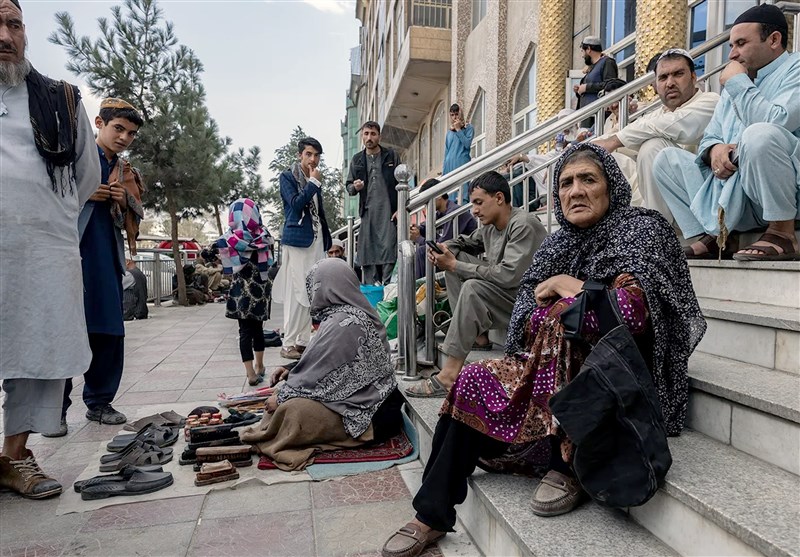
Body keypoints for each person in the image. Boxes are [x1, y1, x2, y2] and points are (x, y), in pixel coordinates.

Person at [381, 143, 705, 557]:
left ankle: (566, 464)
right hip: (549, 369)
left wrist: (566, 288)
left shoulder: (642, 230)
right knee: (475, 377)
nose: (575, 191)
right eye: (566, 182)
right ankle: (430, 514)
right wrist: (570, 300)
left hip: (616, 382)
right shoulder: (558, 244)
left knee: (566, 321)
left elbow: (628, 316)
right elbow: (523, 319)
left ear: (612, 187)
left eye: (589, 179)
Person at [0, 0, 101, 498]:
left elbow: (86, 176)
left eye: (13, 24)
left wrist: (38, 216)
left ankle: (14, 457)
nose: (4, 35)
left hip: (41, 250)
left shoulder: (60, 99)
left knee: (34, 350)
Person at [655, 4, 799, 261]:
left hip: (785, 192)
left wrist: (736, 82)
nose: (732, 54)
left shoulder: (794, 70)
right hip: (738, 195)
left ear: (774, 39)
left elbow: (777, 121)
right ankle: (715, 236)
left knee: (760, 135)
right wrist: (715, 151)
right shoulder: (740, 78)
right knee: (666, 160)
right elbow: (711, 136)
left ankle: (782, 231)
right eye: (731, 45)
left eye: (741, 43)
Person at [240, 258, 403, 470]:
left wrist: (283, 396)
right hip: (364, 403)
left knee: (292, 411)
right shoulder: (343, 315)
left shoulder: (345, 321)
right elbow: (324, 361)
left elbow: (325, 374)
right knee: (285, 408)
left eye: (316, 285)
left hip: (372, 415)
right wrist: (291, 371)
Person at [49, 97, 145, 436]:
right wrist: (85, 192)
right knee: (65, 329)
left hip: (105, 255)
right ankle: (54, 410)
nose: (124, 137)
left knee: (107, 328)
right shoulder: (68, 159)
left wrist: (123, 200)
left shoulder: (125, 171)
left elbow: (136, 212)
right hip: (69, 252)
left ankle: (100, 401)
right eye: (118, 128)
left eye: (130, 133)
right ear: (99, 124)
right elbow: (47, 194)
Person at [405, 171, 547, 398]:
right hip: (507, 296)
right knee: (455, 256)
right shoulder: (491, 226)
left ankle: (448, 377)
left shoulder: (523, 225)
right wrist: (444, 249)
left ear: (499, 198)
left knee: (471, 285)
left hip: (528, 303)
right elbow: (466, 242)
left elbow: (508, 276)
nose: (474, 211)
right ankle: (478, 336)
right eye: (473, 204)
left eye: (479, 203)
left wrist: (454, 265)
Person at [593, 49, 720, 221]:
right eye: (663, 77)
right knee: (610, 158)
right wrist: (587, 148)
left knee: (652, 147)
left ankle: (658, 227)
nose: (670, 83)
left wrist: (615, 140)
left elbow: (672, 125)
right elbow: (634, 132)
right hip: (671, 199)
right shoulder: (659, 113)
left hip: (706, 194)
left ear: (693, 77)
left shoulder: (711, 101)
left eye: (678, 74)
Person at [273, 137, 332, 360]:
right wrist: (313, 184)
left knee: (312, 291)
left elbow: (319, 213)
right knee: (297, 291)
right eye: (309, 154)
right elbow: (296, 205)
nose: (313, 159)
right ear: (300, 155)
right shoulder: (288, 177)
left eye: (317, 155)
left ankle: (302, 341)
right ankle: (288, 341)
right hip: (298, 242)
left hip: (315, 242)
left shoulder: (314, 177)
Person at [216, 198, 275, 386]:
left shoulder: (230, 238)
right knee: (258, 329)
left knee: (244, 332)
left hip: (240, 292)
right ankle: (260, 366)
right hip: (259, 290)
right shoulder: (264, 235)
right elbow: (271, 262)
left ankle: (250, 373)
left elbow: (213, 254)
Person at [346, 121, 401, 286]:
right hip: (368, 214)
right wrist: (354, 187)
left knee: (389, 251)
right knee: (368, 253)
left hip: (389, 213)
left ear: (379, 136)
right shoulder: (357, 160)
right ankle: (372, 294)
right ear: (362, 136)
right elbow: (349, 187)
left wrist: (401, 209)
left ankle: (389, 293)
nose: (369, 138)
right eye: (366, 134)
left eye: (373, 134)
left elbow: (404, 183)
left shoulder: (391, 155)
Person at [409, 178, 477, 279]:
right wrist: (416, 229)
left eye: (427, 200)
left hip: (464, 257)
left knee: (422, 252)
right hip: (454, 252)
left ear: (439, 195)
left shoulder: (454, 213)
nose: (426, 204)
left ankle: (420, 288)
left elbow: (442, 246)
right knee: (422, 251)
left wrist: (418, 238)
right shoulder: (442, 212)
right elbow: (426, 226)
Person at [574, 36, 619, 128]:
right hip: (588, 116)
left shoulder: (607, 62)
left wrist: (586, 87)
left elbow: (611, 85)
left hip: (599, 115)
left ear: (589, 49)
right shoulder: (592, 67)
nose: (582, 56)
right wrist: (579, 90)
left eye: (583, 51)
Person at [442, 103, 474, 204]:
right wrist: (443, 174)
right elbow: (446, 153)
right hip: (449, 168)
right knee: (450, 198)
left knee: (462, 197)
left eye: (456, 114)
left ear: (460, 114)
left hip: (461, 166)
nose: (454, 117)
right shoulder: (449, 133)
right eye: (452, 115)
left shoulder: (468, 128)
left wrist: (459, 129)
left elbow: (467, 144)